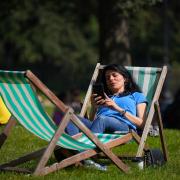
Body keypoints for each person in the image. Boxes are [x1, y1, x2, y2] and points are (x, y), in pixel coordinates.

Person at [65, 64, 148, 135]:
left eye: (114, 75)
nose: (111, 79)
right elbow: (94, 123)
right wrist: (94, 107)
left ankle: (87, 150)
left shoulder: (136, 95)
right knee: (72, 117)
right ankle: (74, 148)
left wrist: (117, 108)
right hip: (101, 126)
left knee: (102, 119)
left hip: (124, 128)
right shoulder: (104, 97)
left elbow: (142, 124)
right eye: (107, 78)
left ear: (125, 79)